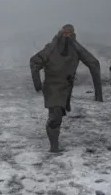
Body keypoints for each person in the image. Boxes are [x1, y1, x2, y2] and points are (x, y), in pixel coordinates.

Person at [30, 24, 103, 153]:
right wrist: (38, 85)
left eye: (70, 34)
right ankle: (54, 146)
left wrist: (98, 93)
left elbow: (93, 63)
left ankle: (54, 144)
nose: (67, 37)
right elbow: (35, 61)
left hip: (65, 88)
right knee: (55, 116)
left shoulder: (76, 48)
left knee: (58, 115)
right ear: (60, 33)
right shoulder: (51, 48)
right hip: (52, 86)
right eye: (65, 34)